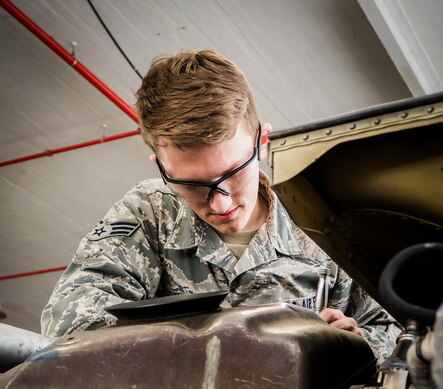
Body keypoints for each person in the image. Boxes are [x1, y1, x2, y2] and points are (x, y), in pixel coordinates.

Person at [41, 49, 400, 363]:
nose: (220, 201)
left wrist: (352, 345)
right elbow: (70, 324)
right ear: (160, 165)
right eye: (192, 184)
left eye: (234, 173)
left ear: (262, 141)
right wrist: (220, 349)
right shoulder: (150, 212)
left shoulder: (320, 222)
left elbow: (393, 332)